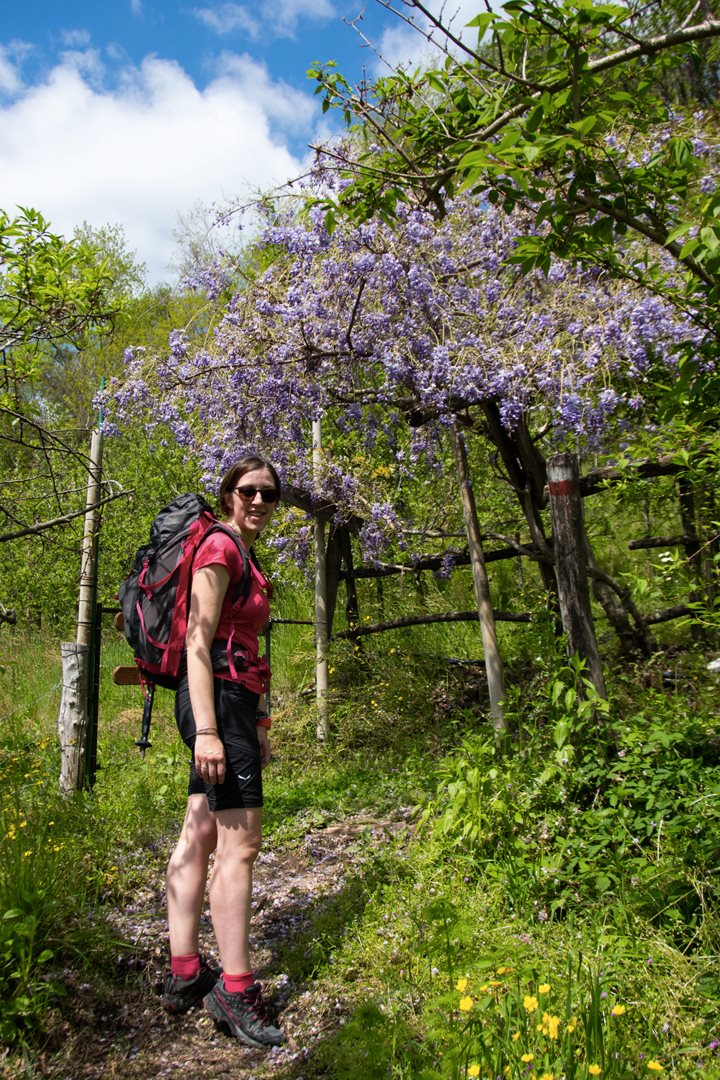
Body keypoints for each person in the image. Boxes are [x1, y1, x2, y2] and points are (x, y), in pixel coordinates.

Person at [161, 455, 284, 1049]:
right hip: (217, 700)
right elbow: (198, 641)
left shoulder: (243, 554)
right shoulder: (220, 547)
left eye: (269, 493)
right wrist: (209, 731)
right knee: (242, 845)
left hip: (233, 702)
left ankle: (185, 971)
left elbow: (247, 642)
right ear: (228, 492)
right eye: (248, 489)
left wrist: (258, 720)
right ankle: (236, 990)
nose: (259, 500)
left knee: (200, 830)